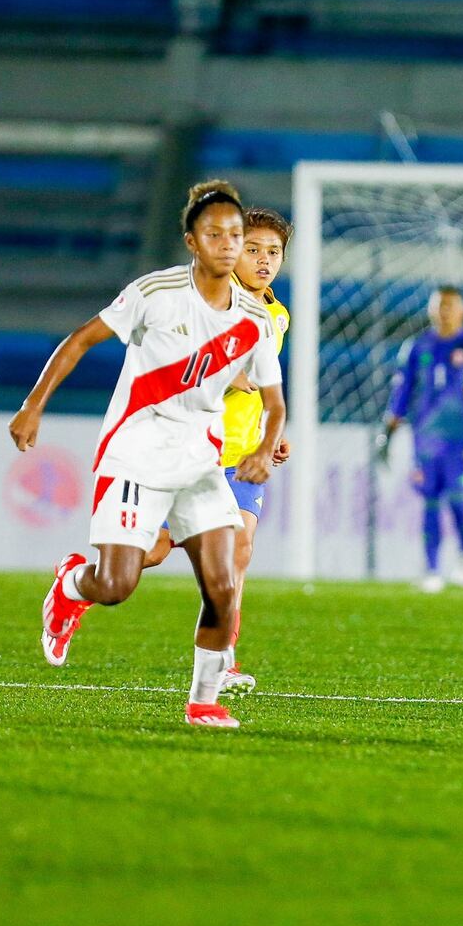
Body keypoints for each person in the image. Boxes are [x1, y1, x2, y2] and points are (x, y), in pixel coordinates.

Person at [10, 180, 286, 730]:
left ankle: (203, 701)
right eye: (217, 234)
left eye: (237, 234)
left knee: (224, 580)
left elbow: (274, 401)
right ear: (192, 240)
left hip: (199, 458)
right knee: (116, 585)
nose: (230, 245)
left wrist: (262, 445)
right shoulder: (156, 293)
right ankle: (71, 585)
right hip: (136, 451)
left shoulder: (256, 319)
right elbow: (82, 339)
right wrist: (33, 404)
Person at [140, 205, 290, 696]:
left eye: (274, 252)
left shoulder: (276, 315)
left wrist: (271, 435)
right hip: (189, 450)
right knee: (152, 553)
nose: (264, 260)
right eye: (254, 250)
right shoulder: (202, 303)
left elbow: (264, 388)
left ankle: (220, 663)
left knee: (238, 555)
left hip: (241, 460)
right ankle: (77, 581)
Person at [377, 285, 463, 593]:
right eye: (439, 305)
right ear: (431, 310)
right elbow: (403, 390)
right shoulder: (418, 347)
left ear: (462, 310)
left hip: (462, 439)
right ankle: (432, 569)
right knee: (430, 501)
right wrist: (389, 429)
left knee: (459, 499)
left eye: (451, 305)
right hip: (425, 438)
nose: (444, 311)